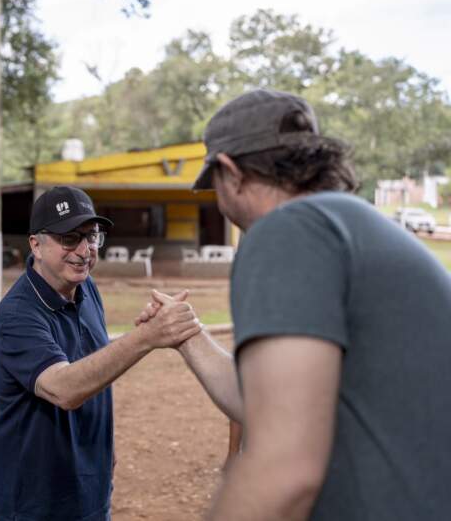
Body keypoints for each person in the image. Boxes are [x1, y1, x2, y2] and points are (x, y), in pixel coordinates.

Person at [148, 88, 451, 520]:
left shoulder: (288, 230)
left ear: (231, 172)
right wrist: (189, 335)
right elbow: (269, 402)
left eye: (214, 183)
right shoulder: (352, 226)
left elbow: (282, 468)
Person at [0, 186, 205, 521]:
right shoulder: (17, 314)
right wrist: (147, 337)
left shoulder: (86, 288)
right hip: (33, 499)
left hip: (89, 486)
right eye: (70, 238)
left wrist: (104, 445)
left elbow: (94, 368)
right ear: (35, 245)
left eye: (92, 236)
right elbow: (64, 388)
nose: (85, 250)